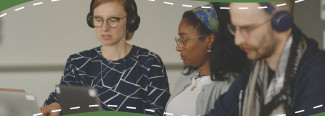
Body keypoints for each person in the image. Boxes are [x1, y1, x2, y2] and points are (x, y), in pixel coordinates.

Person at [40, 0, 170, 115]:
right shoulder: (78, 62)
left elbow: (159, 111)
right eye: (98, 20)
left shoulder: (150, 63)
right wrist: (56, 106)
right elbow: (61, 98)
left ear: (130, 21)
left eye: (113, 20)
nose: (104, 28)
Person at [207, 1, 325, 116]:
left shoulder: (317, 74)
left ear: (282, 22)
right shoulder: (254, 71)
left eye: (247, 29)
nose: (238, 40)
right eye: (234, 28)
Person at [165, 3, 248, 116]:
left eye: (184, 40)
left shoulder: (229, 87)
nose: (178, 47)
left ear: (209, 40)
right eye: (178, 40)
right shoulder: (185, 77)